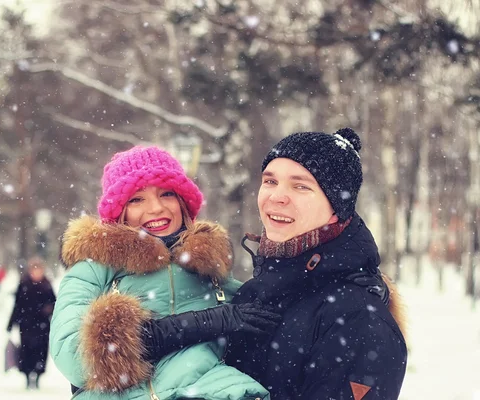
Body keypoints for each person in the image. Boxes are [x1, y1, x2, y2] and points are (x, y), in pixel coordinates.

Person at [135, 128, 408, 400]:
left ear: (338, 207)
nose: (277, 196)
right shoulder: (254, 293)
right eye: (270, 181)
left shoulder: (357, 317)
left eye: (301, 186)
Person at [50, 146, 277, 400]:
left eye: (167, 194)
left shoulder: (208, 271)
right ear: (118, 212)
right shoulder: (94, 267)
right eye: (136, 199)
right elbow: (75, 359)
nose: (156, 208)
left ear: (182, 202)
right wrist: (203, 323)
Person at [7, 256, 56, 389]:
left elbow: (54, 303)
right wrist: (11, 323)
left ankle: (38, 375)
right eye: (34, 270)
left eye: (38, 269)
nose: (36, 273)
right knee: (26, 352)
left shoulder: (46, 285)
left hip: (42, 326)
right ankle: (28, 376)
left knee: (41, 352)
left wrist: (48, 309)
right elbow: (17, 306)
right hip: (27, 325)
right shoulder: (24, 284)